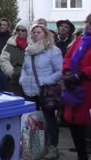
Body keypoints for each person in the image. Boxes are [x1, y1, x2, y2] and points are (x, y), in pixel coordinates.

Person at [19, 24, 62, 160]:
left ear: (45, 34)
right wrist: (22, 80)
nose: (35, 35)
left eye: (38, 32)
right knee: (32, 120)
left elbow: (60, 71)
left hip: (45, 90)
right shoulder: (28, 51)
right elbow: (25, 69)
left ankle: (51, 147)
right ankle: (35, 147)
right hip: (29, 89)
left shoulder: (53, 50)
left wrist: (45, 82)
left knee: (49, 120)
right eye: (33, 32)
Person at [62, 13, 91, 160]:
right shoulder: (80, 40)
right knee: (74, 123)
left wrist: (82, 75)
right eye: (88, 23)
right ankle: (82, 155)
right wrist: (67, 70)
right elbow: (68, 57)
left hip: (87, 88)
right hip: (74, 89)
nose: (88, 26)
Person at [0, 20, 30, 97]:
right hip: (14, 79)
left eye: (23, 30)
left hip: (29, 79)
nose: (20, 32)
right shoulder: (10, 43)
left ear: (28, 31)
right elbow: (3, 60)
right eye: (18, 30)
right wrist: (11, 72)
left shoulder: (32, 44)